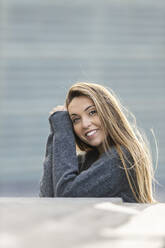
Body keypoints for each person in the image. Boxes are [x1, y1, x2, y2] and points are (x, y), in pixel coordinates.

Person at [39, 82, 156, 203]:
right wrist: (56, 133)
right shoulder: (88, 160)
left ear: (108, 113)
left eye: (92, 112)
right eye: (76, 119)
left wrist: (62, 130)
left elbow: (67, 197)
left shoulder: (121, 159)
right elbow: (48, 198)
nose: (85, 124)